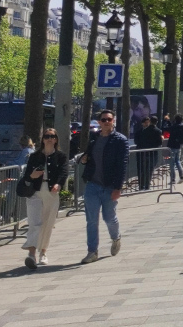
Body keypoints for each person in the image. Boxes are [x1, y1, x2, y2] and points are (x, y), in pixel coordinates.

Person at [78, 109, 128, 264]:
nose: (107, 122)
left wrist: (118, 188)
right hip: (93, 184)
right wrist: (84, 159)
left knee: (109, 218)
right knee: (92, 220)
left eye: (110, 119)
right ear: (99, 122)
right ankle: (92, 251)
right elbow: (87, 156)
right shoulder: (94, 138)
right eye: (104, 120)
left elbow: (122, 165)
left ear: (113, 121)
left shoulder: (120, 140)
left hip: (109, 185)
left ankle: (116, 237)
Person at [20, 128, 69, 268]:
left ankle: (43, 252)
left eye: (52, 136)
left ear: (56, 139)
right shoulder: (35, 156)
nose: (49, 138)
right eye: (46, 136)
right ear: (42, 139)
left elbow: (64, 171)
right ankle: (31, 254)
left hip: (51, 193)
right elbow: (27, 174)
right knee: (35, 222)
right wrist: (31, 176)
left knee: (47, 223)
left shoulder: (61, 156)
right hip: (35, 191)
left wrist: (59, 184)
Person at [133, 116, 163, 190]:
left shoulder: (146, 131)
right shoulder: (140, 132)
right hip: (142, 153)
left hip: (149, 152)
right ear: (142, 123)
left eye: (148, 122)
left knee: (149, 169)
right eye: (145, 122)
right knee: (142, 170)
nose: (147, 124)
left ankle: (146, 185)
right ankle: (141, 185)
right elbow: (137, 141)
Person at [165, 114, 183, 184]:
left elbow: (167, 129)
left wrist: (168, 122)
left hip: (172, 146)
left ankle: (173, 179)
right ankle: (181, 176)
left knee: (171, 163)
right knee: (178, 161)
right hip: (178, 146)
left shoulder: (174, 127)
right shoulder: (182, 127)